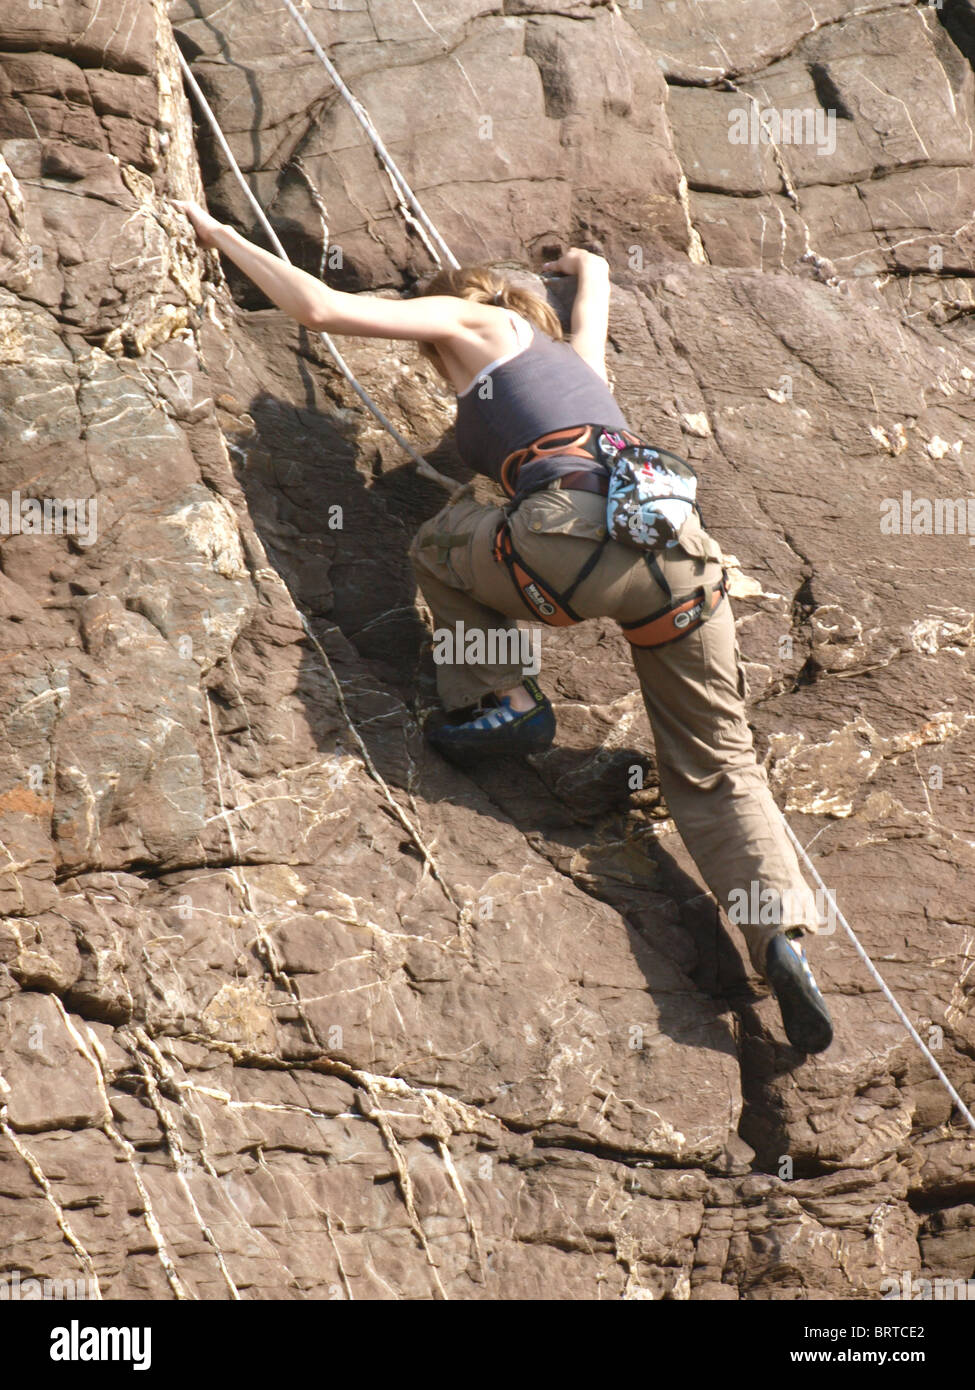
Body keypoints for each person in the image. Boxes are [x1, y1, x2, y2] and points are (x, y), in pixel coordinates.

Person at [173, 200, 833, 1054]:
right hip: (679, 560)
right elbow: (593, 288)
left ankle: (499, 698)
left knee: (439, 542)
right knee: (718, 764)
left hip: (566, 542)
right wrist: (583, 264)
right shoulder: (570, 362)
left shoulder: (472, 317)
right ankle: (774, 932)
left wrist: (220, 236)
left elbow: (319, 310)